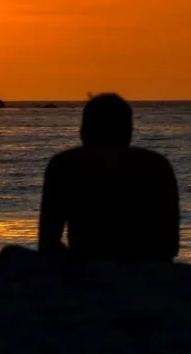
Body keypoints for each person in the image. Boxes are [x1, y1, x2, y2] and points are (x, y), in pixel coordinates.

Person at [38, 93, 179, 262]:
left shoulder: (65, 165)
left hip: (85, 268)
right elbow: (169, 244)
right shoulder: (156, 165)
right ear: (128, 131)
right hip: (145, 271)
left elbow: (47, 242)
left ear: (84, 131)